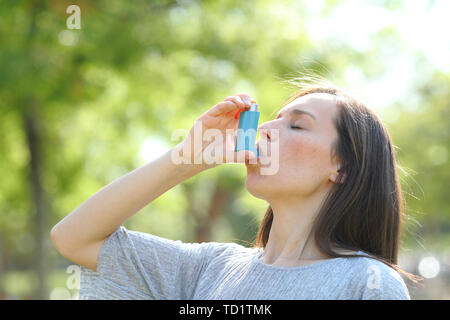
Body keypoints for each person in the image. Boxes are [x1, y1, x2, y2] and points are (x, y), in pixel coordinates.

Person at [51, 79, 418, 299]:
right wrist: (186, 158)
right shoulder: (210, 268)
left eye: (298, 126)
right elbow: (73, 238)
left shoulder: (367, 284)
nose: (266, 130)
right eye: (270, 120)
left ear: (342, 166)